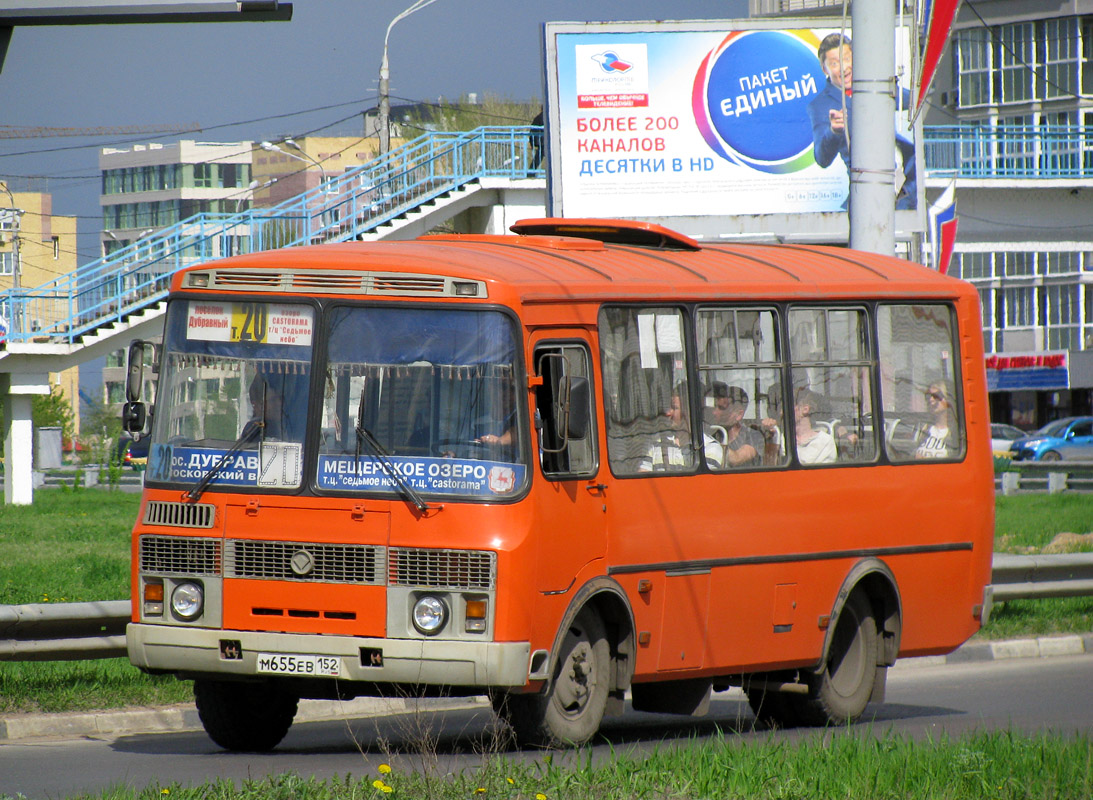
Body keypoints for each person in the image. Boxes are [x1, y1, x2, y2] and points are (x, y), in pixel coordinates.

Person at [806, 33, 917, 211]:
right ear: (825, 69)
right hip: (865, 194)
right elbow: (822, 158)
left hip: (906, 190)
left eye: (847, 59)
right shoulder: (820, 105)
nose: (844, 68)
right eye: (834, 63)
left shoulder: (875, 86)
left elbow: (913, 100)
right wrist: (834, 131)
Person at [640, 390, 722, 471]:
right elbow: (643, 478)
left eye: (674, 408)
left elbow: (703, 482)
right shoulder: (655, 443)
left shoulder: (710, 447)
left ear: (688, 412)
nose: (668, 413)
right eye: (668, 408)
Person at [706, 383, 764, 468]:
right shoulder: (714, 435)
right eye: (715, 407)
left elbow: (736, 459)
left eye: (721, 408)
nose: (714, 412)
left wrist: (707, 443)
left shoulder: (753, 436)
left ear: (738, 415)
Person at [915, 380, 958, 458]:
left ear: (947, 400)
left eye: (936, 396)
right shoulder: (924, 429)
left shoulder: (954, 434)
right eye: (928, 396)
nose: (931, 400)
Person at [794, 388, 837, 465]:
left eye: (789, 406)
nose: (781, 412)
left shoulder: (825, 441)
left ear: (805, 409)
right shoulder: (783, 439)